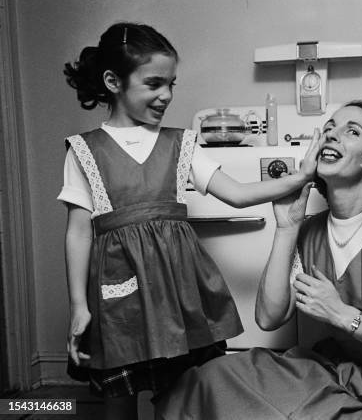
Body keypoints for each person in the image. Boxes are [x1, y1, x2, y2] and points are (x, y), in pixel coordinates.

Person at [57, 22, 322, 420]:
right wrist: (79, 305)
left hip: (180, 291)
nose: (165, 95)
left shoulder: (182, 144)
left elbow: (237, 193)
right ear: (113, 81)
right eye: (153, 83)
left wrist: (300, 177)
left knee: (188, 391)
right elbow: (78, 232)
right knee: (119, 393)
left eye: (171, 84)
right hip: (119, 293)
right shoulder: (84, 151)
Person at [154, 101, 362, 420]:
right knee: (206, 382)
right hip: (333, 373)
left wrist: (342, 314)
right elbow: (268, 317)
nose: (333, 135)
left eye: (352, 131)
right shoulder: (311, 230)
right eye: (330, 128)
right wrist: (286, 228)